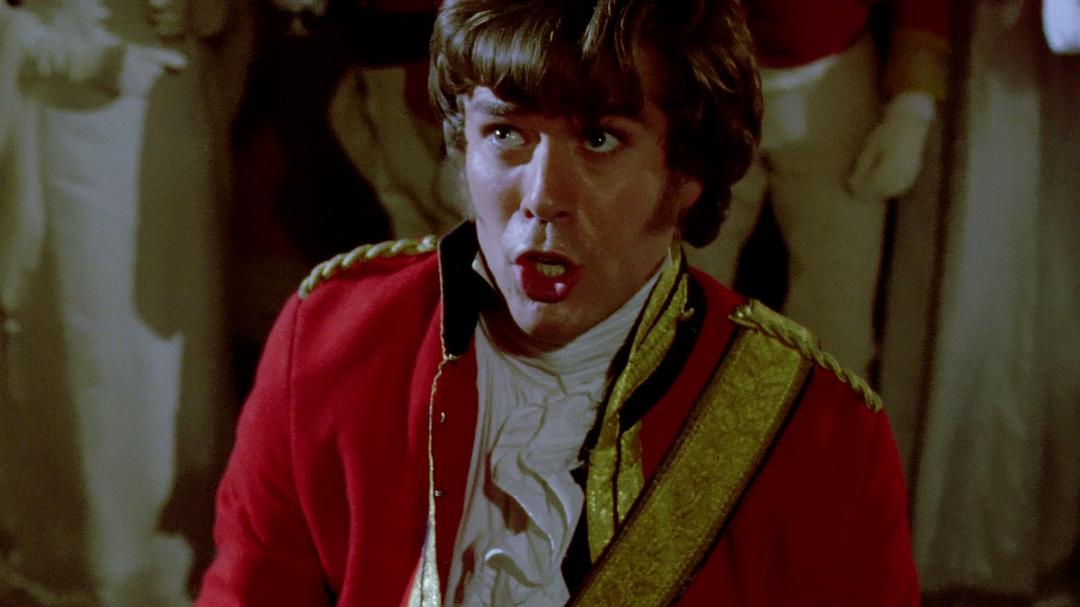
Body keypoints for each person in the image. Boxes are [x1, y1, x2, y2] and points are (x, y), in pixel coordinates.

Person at [197, 0, 918, 604]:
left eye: (600, 139)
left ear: (687, 173)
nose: (542, 196)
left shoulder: (820, 436)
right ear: (461, 146)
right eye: (505, 132)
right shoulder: (331, 343)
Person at [686, 0, 950, 376]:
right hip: (708, 75)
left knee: (837, 308)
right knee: (683, 284)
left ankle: (824, 412)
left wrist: (913, 105)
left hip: (833, 85)